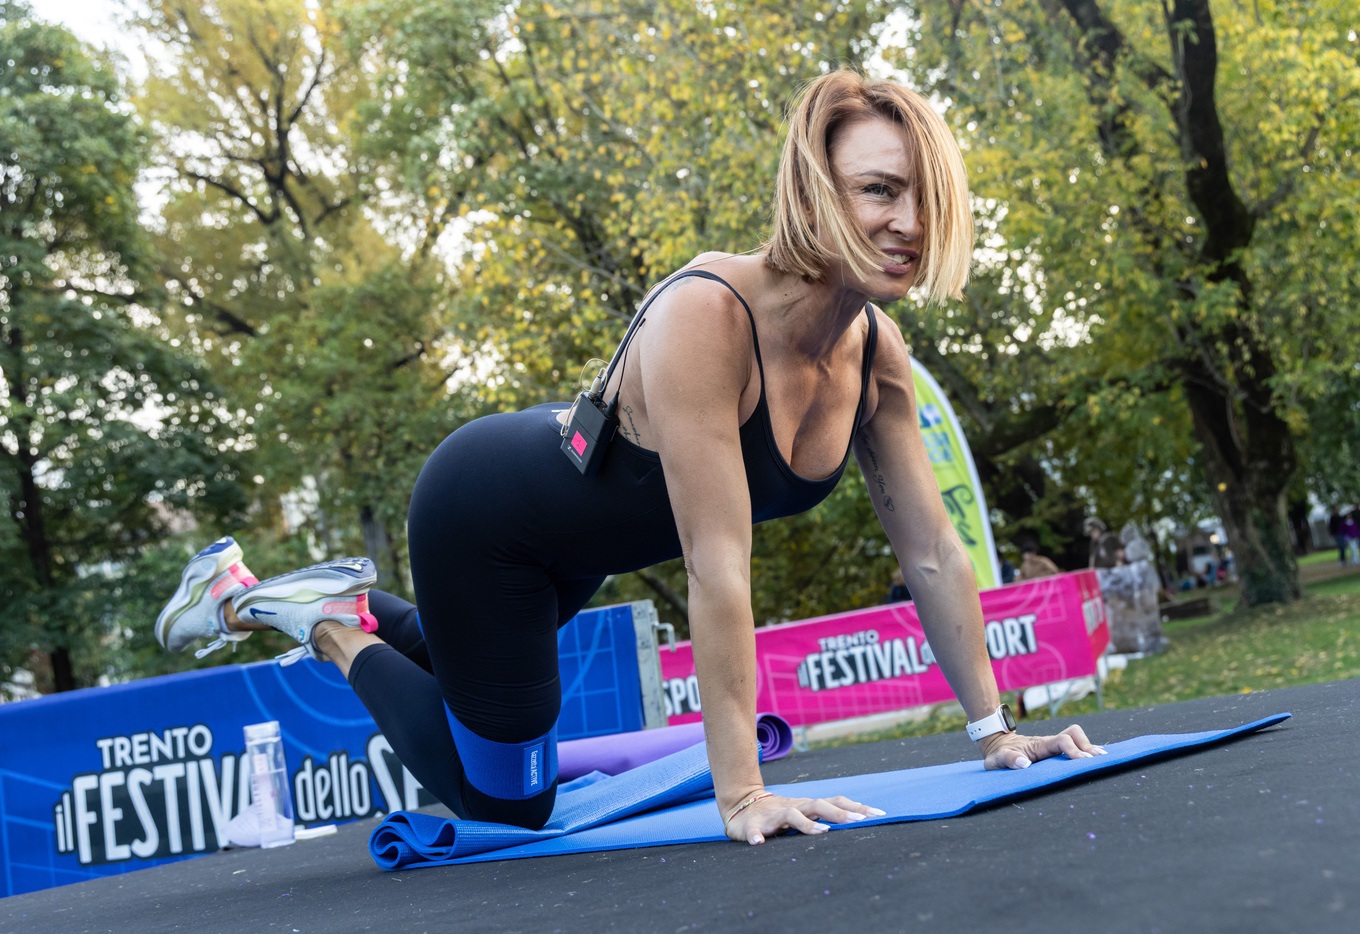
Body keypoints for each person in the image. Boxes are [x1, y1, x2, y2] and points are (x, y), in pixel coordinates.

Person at [153, 71, 1104, 845]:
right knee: (506, 803)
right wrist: (743, 794)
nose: (908, 221)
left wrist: (996, 733)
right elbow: (717, 565)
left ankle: (305, 599)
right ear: (816, 192)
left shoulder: (876, 357)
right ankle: (323, 623)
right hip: (485, 516)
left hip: (572, 553)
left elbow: (931, 551)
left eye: (923, 195)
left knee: (457, 663)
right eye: (878, 191)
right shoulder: (707, 315)